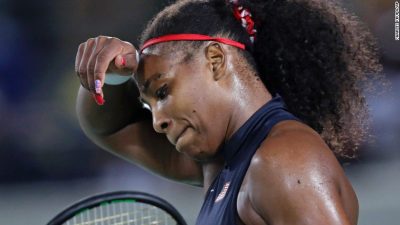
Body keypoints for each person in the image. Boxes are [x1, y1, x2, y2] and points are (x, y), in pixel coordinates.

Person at [74, 0, 382, 224]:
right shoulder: (221, 165)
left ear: (216, 60)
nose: (157, 121)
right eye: (148, 104)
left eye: (163, 91)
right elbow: (107, 128)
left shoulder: (284, 161)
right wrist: (115, 75)